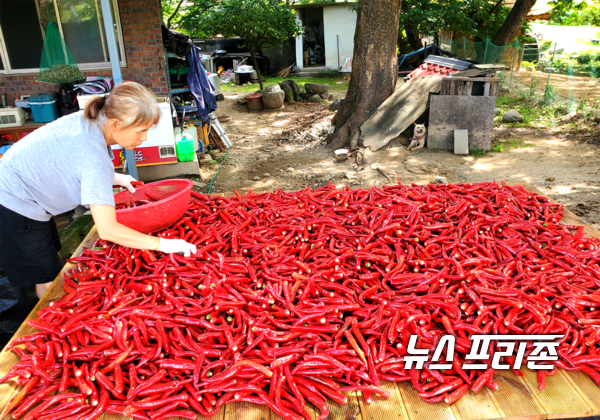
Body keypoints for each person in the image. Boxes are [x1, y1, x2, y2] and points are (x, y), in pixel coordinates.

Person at [0, 82, 196, 299]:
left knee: (49, 258)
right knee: (46, 277)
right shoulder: (94, 157)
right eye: (141, 131)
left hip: (27, 190)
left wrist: (113, 177)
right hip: (14, 202)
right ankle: (48, 320)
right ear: (115, 124)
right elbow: (108, 230)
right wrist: (164, 244)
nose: (144, 139)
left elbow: (71, 160)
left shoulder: (89, 120)